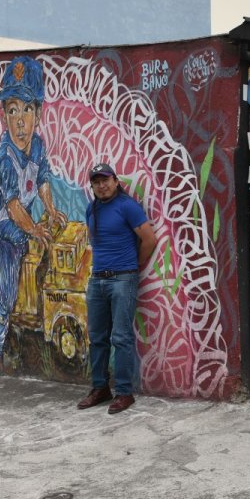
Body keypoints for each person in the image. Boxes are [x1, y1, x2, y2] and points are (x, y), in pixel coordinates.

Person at [0, 56, 67, 370]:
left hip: (18, 228)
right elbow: (13, 207)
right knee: (4, 288)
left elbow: (42, 180)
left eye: (27, 109)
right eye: (12, 111)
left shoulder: (37, 146)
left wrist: (51, 209)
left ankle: (0, 327)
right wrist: (34, 229)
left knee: (23, 273)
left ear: (38, 114)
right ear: (4, 116)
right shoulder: (4, 158)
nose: (20, 121)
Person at [76, 164, 157, 414]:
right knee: (97, 337)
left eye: (106, 180)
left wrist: (133, 265)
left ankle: (124, 392)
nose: (102, 186)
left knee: (121, 337)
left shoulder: (127, 206)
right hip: (97, 280)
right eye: (96, 182)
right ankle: (100, 388)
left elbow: (149, 239)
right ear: (92, 186)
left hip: (123, 279)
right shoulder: (91, 209)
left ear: (115, 180)